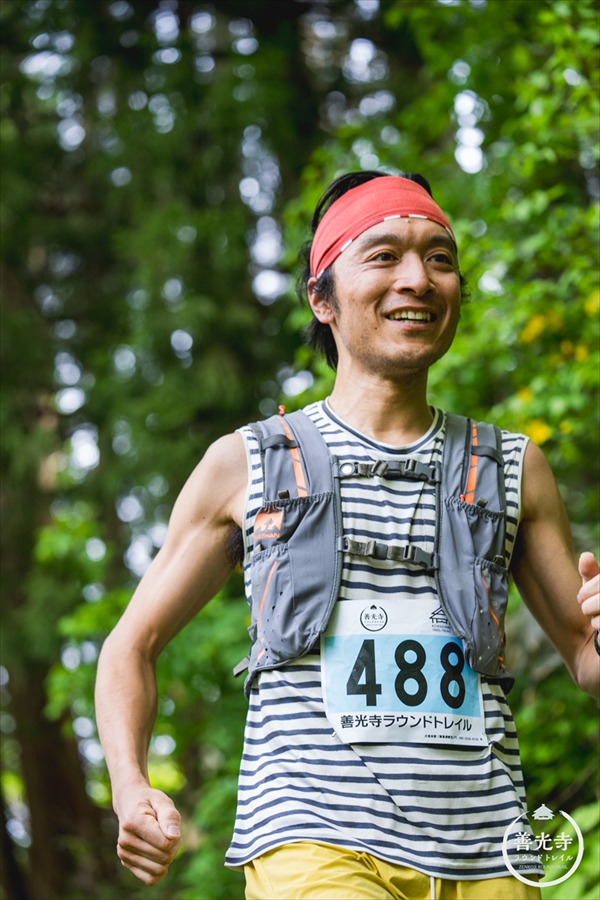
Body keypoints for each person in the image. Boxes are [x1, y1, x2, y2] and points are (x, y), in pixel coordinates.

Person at [95, 171, 600, 900]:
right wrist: (130, 784)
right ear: (322, 298)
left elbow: (585, 661)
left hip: (491, 853)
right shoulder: (250, 462)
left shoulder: (511, 466)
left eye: (439, 258)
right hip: (315, 841)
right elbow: (130, 646)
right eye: (384, 255)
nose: (418, 279)